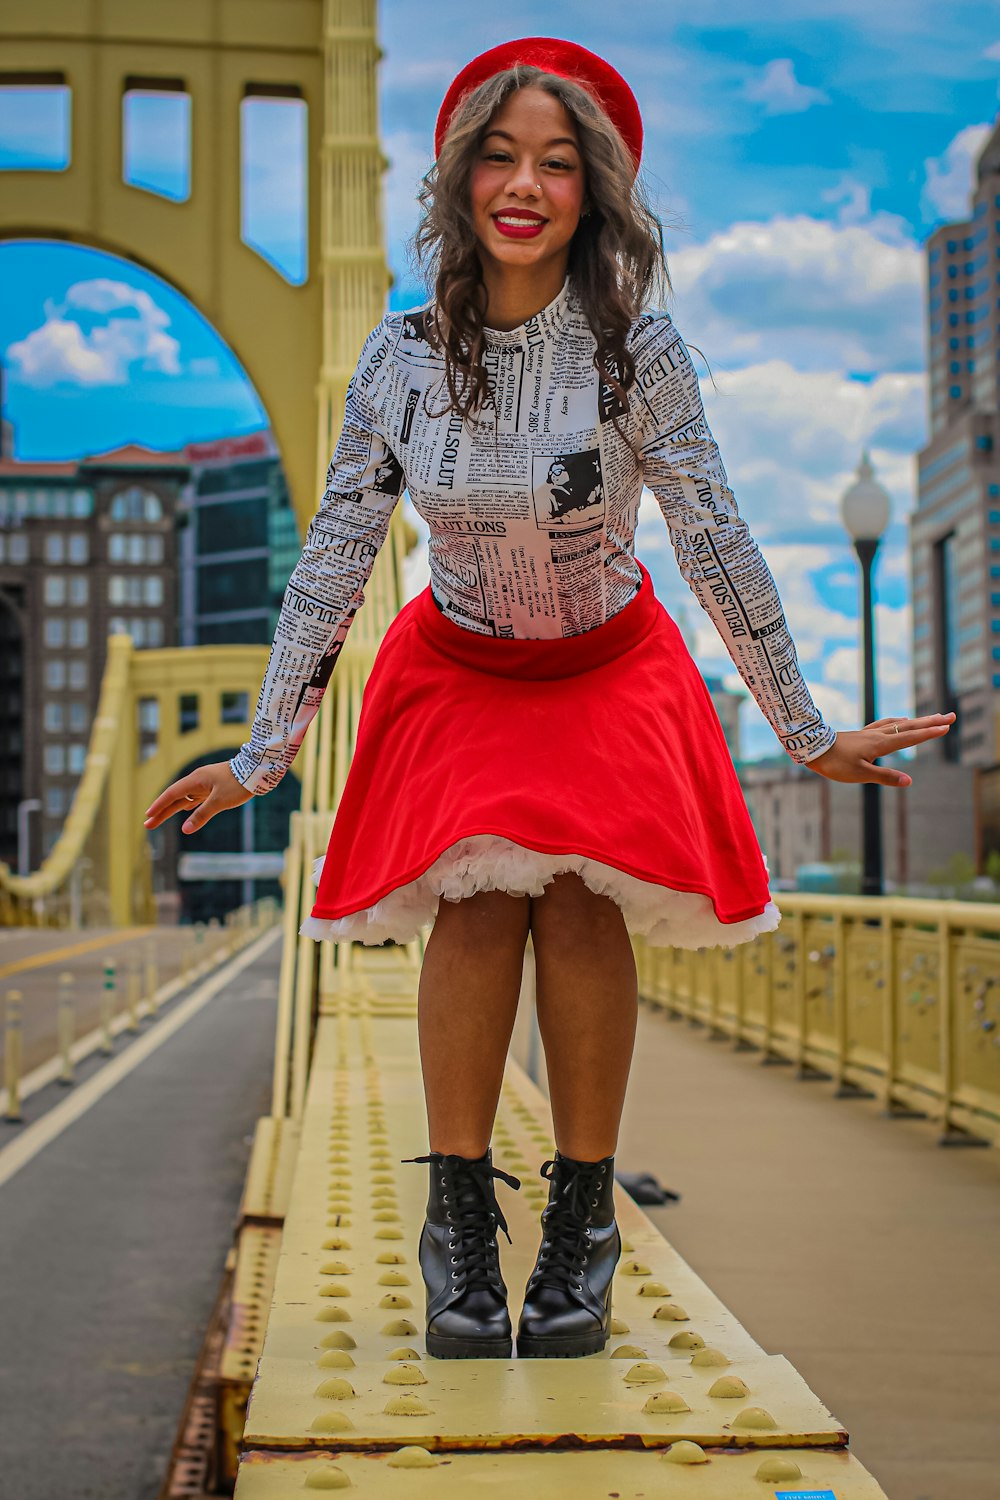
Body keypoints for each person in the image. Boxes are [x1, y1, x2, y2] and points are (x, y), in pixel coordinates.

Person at [143, 37, 955, 1362]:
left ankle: (582, 1217)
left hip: (605, 663)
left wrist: (805, 727)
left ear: (595, 192)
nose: (525, 184)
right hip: (459, 666)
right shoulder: (400, 362)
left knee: (580, 900)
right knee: (476, 900)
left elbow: (716, 538)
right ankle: (459, 1224)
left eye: (557, 164)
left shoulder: (640, 352)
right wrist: (261, 751)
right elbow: (338, 558)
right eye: (501, 157)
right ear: (464, 182)